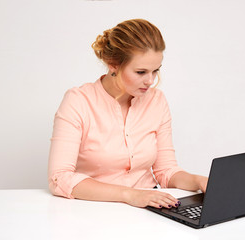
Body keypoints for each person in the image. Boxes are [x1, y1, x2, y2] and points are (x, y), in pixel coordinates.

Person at [48, 19, 208, 209]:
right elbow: (60, 177)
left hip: (150, 209)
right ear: (113, 64)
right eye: (141, 72)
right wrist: (130, 195)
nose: (150, 81)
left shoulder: (157, 101)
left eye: (155, 71)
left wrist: (198, 181)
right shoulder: (78, 101)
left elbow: (166, 170)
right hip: (93, 210)